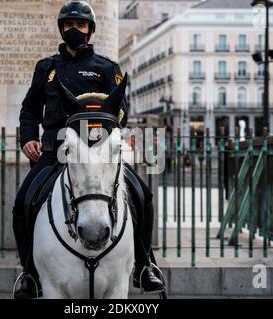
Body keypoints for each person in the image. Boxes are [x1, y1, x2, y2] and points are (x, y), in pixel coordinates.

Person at [12, 1, 164, 299]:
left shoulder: (108, 69)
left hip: (100, 152)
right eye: (69, 25)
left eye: (80, 25)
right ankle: (29, 273)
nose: (74, 30)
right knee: (22, 204)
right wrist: (28, 138)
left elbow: (122, 113)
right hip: (56, 152)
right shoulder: (46, 68)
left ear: (90, 31)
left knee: (143, 195)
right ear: (62, 29)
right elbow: (29, 109)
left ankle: (145, 265)